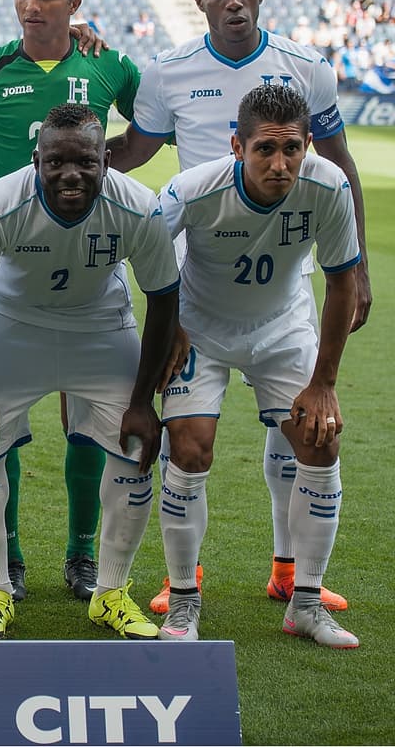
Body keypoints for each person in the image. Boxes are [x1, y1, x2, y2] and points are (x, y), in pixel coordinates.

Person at [106, 0, 368, 614]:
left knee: (302, 432)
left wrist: (357, 264)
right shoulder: (168, 71)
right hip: (202, 280)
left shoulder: (307, 69)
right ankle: (179, 581)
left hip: (284, 277)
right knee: (191, 444)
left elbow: (339, 162)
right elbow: (134, 152)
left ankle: (289, 572)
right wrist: (62, 160)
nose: (232, 0)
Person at [0, 0, 141, 602]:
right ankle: (12, 558)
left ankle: (83, 557)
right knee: (0, 420)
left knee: (89, 418)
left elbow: (156, 126)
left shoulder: (109, 63)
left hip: (89, 262)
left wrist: (108, 174)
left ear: (75, 4)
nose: (33, 6)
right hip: (7, 266)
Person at [0, 104, 180, 639]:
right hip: (12, 322)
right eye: (56, 162)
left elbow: (163, 299)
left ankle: (111, 593)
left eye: (85, 162)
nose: (71, 174)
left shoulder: (140, 208)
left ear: (107, 161)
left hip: (99, 325)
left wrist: (141, 402)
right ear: (36, 160)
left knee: (136, 447)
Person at [154, 84, 360, 648]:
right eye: (264, 149)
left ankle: (307, 602)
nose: (280, 163)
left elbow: (342, 281)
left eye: (291, 149)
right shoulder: (194, 190)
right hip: (201, 328)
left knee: (320, 441)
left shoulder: (328, 184)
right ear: (235, 146)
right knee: (190, 447)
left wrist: (324, 383)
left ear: (307, 145)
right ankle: (182, 603)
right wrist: (168, 324)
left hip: (282, 327)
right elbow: (146, 252)